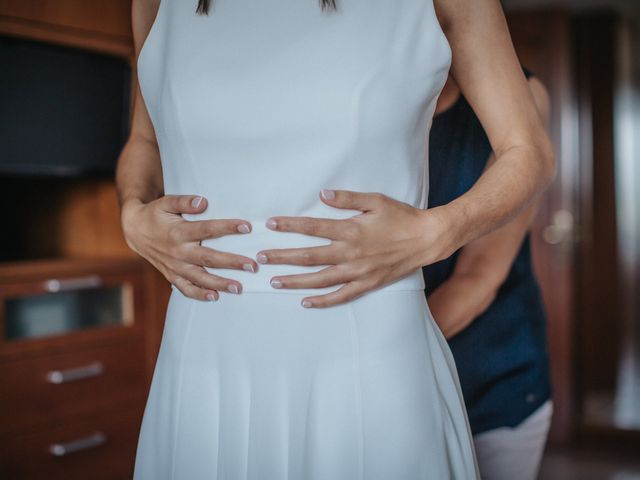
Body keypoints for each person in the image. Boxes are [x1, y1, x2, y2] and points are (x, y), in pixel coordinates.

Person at [117, 0, 555, 478]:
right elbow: (145, 142)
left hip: (368, 344)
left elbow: (527, 150)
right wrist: (132, 215)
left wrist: (435, 232)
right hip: (200, 350)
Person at [424, 71, 553, 480]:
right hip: (402, 376)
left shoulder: (521, 96)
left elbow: (480, 276)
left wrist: (379, 352)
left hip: (496, 377)